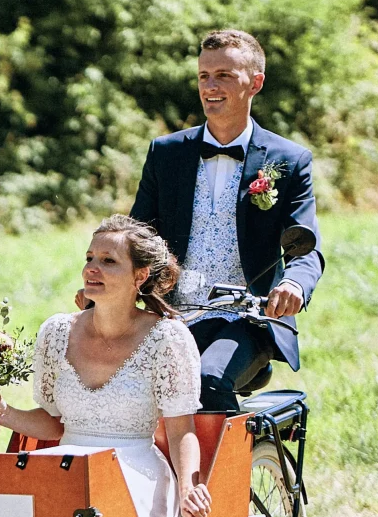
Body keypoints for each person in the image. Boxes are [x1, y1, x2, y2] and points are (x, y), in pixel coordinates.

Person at [0, 217, 208, 517]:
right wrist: (4, 412)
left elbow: (180, 431)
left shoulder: (168, 338)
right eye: (90, 258)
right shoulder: (56, 332)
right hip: (64, 469)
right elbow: (54, 423)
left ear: (140, 275)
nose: (92, 268)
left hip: (134, 474)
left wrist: (189, 488)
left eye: (108, 261)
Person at [130, 28, 324, 412]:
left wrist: (294, 285)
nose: (210, 86)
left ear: (255, 83)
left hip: (246, 319)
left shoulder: (288, 160)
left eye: (224, 75)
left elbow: (307, 251)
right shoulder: (165, 153)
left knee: (206, 380)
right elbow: (136, 237)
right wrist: (104, 278)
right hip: (167, 316)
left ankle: (219, 474)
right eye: (204, 75)